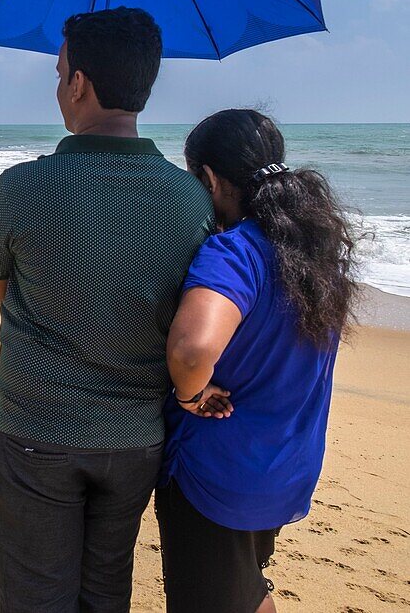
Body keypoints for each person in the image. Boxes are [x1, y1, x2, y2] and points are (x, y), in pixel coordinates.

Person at [0, 7, 215, 612]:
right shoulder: (190, 199)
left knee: (35, 597)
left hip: (33, 430)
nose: (59, 85)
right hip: (134, 440)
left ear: (78, 82)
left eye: (60, 72)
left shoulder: (22, 186)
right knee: (107, 595)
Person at [157, 110, 359, 613]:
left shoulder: (235, 252)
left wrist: (190, 394)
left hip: (218, 475)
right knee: (247, 588)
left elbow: (191, 349)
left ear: (207, 179)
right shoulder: (313, 257)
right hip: (284, 465)